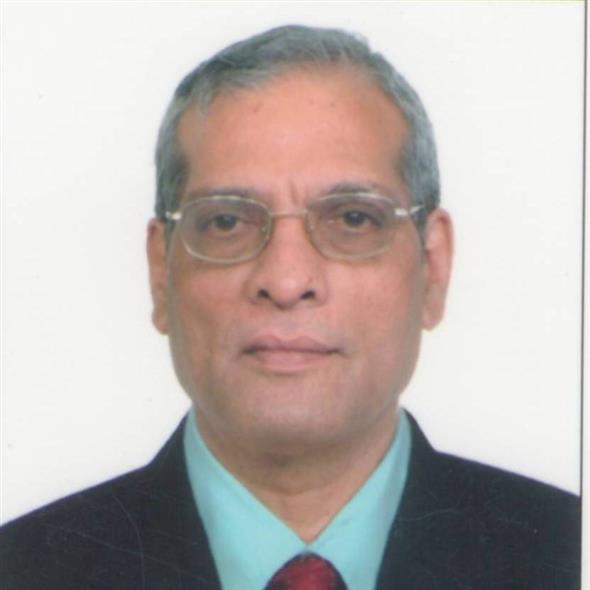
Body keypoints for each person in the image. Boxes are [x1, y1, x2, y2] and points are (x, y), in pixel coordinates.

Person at [0, 24, 580, 590]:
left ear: (434, 268)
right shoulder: (21, 570)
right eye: (227, 221)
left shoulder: (567, 555)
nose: (285, 280)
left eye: (353, 218)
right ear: (161, 272)